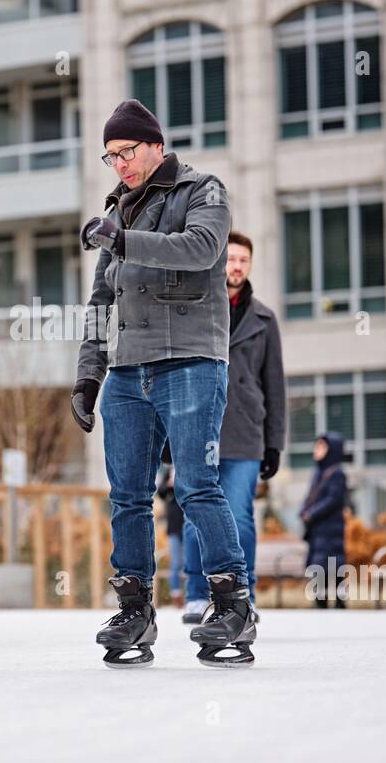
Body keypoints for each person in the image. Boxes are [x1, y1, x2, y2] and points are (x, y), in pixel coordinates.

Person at [72, 98, 254, 668]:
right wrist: (87, 374)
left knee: (196, 484)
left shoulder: (203, 190)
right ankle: (133, 609)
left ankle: (231, 602)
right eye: (111, 156)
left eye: (127, 151)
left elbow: (202, 250)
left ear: (156, 144)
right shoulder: (117, 209)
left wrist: (120, 239)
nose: (120, 164)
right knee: (126, 494)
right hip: (127, 369)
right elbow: (103, 298)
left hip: (191, 359)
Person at [179, 229, 286, 622]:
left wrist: (274, 444)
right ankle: (195, 591)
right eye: (230, 259)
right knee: (195, 514)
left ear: (250, 265)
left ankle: (246, 594)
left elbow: (275, 385)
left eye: (243, 260)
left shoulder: (264, 319)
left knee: (240, 516)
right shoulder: (196, 308)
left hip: (245, 434)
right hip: (198, 428)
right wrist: (171, 441)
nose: (235, 266)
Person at [301, 433, 347, 608]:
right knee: (318, 566)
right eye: (317, 446)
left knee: (334, 567)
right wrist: (304, 511)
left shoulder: (337, 473)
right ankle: (320, 603)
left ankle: (339, 603)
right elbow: (310, 497)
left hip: (331, 529)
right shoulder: (318, 473)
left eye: (322, 446)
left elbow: (333, 499)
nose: (317, 450)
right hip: (318, 531)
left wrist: (311, 514)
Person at [154, 449, 184, 607]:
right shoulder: (169, 469)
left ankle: (195, 594)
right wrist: (169, 484)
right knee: (176, 561)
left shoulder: (188, 466)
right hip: (174, 523)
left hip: (189, 522)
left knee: (192, 561)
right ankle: (176, 593)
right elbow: (161, 492)